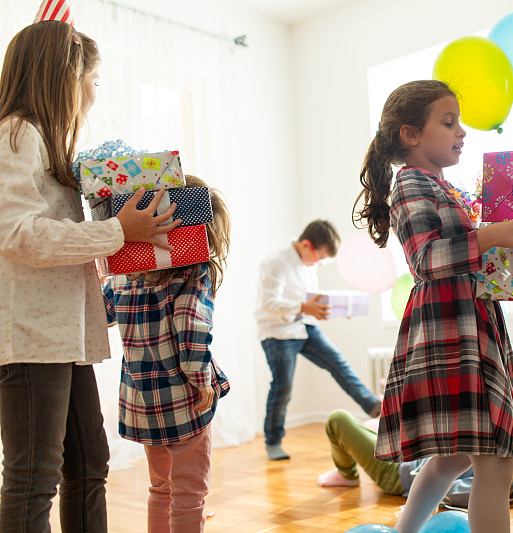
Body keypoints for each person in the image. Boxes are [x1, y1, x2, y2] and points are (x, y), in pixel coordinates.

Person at [352, 79, 513, 533]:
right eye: (448, 122)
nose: (462, 132)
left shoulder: (446, 188)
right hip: (449, 331)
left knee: (451, 457)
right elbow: (427, 258)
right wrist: (496, 234)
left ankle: (403, 532)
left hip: (470, 326)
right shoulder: (410, 185)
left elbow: (483, 262)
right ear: (410, 135)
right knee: (495, 460)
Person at [0, 21, 181, 531]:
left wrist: (121, 234)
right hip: (34, 338)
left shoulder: (47, 144)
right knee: (34, 476)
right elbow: (18, 235)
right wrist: (116, 231)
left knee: (88, 464)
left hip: (62, 334)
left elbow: (50, 236)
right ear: (66, 74)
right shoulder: (17, 133)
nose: (95, 91)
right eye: (95, 79)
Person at [102, 174, 231, 532]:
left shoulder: (126, 274)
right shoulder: (193, 273)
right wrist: (202, 379)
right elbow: (191, 326)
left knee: (161, 488)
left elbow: (105, 313)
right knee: (190, 493)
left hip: (142, 402)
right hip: (182, 399)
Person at [256, 219, 382, 461]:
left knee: (337, 363)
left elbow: (311, 299)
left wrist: (331, 309)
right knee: (282, 386)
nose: (318, 263)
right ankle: (273, 441)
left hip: (304, 325)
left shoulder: (308, 264)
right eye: (320, 258)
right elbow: (268, 304)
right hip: (278, 331)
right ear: (306, 245)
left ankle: (373, 406)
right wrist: (304, 306)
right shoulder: (276, 263)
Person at [318, 409, 513, 510]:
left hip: (398, 474)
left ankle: (347, 474)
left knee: (338, 420)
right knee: (375, 423)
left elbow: (445, 492)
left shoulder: (498, 483)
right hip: (416, 455)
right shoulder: (502, 458)